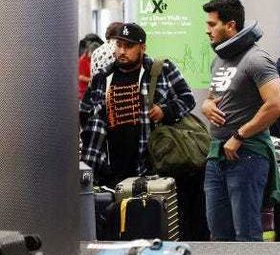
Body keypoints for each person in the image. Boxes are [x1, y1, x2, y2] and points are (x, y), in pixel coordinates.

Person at [200, 0, 280, 242]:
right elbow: (213, 98)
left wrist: (239, 135)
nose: (208, 30)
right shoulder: (219, 59)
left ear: (231, 25)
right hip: (217, 156)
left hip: (246, 156)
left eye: (212, 24)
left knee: (247, 236)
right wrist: (206, 105)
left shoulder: (257, 59)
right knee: (218, 235)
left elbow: (277, 105)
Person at [80, 23, 195, 186]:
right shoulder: (102, 77)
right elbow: (85, 112)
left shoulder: (162, 69)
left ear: (142, 47)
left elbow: (187, 98)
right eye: (119, 45)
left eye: (128, 46)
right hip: (108, 170)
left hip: (151, 168)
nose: (121, 51)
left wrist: (165, 111)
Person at [78, 34, 102, 99]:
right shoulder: (82, 60)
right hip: (84, 92)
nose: (94, 57)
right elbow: (80, 77)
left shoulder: (94, 60)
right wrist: (92, 80)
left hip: (93, 90)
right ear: (89, 51)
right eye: (93, 54)